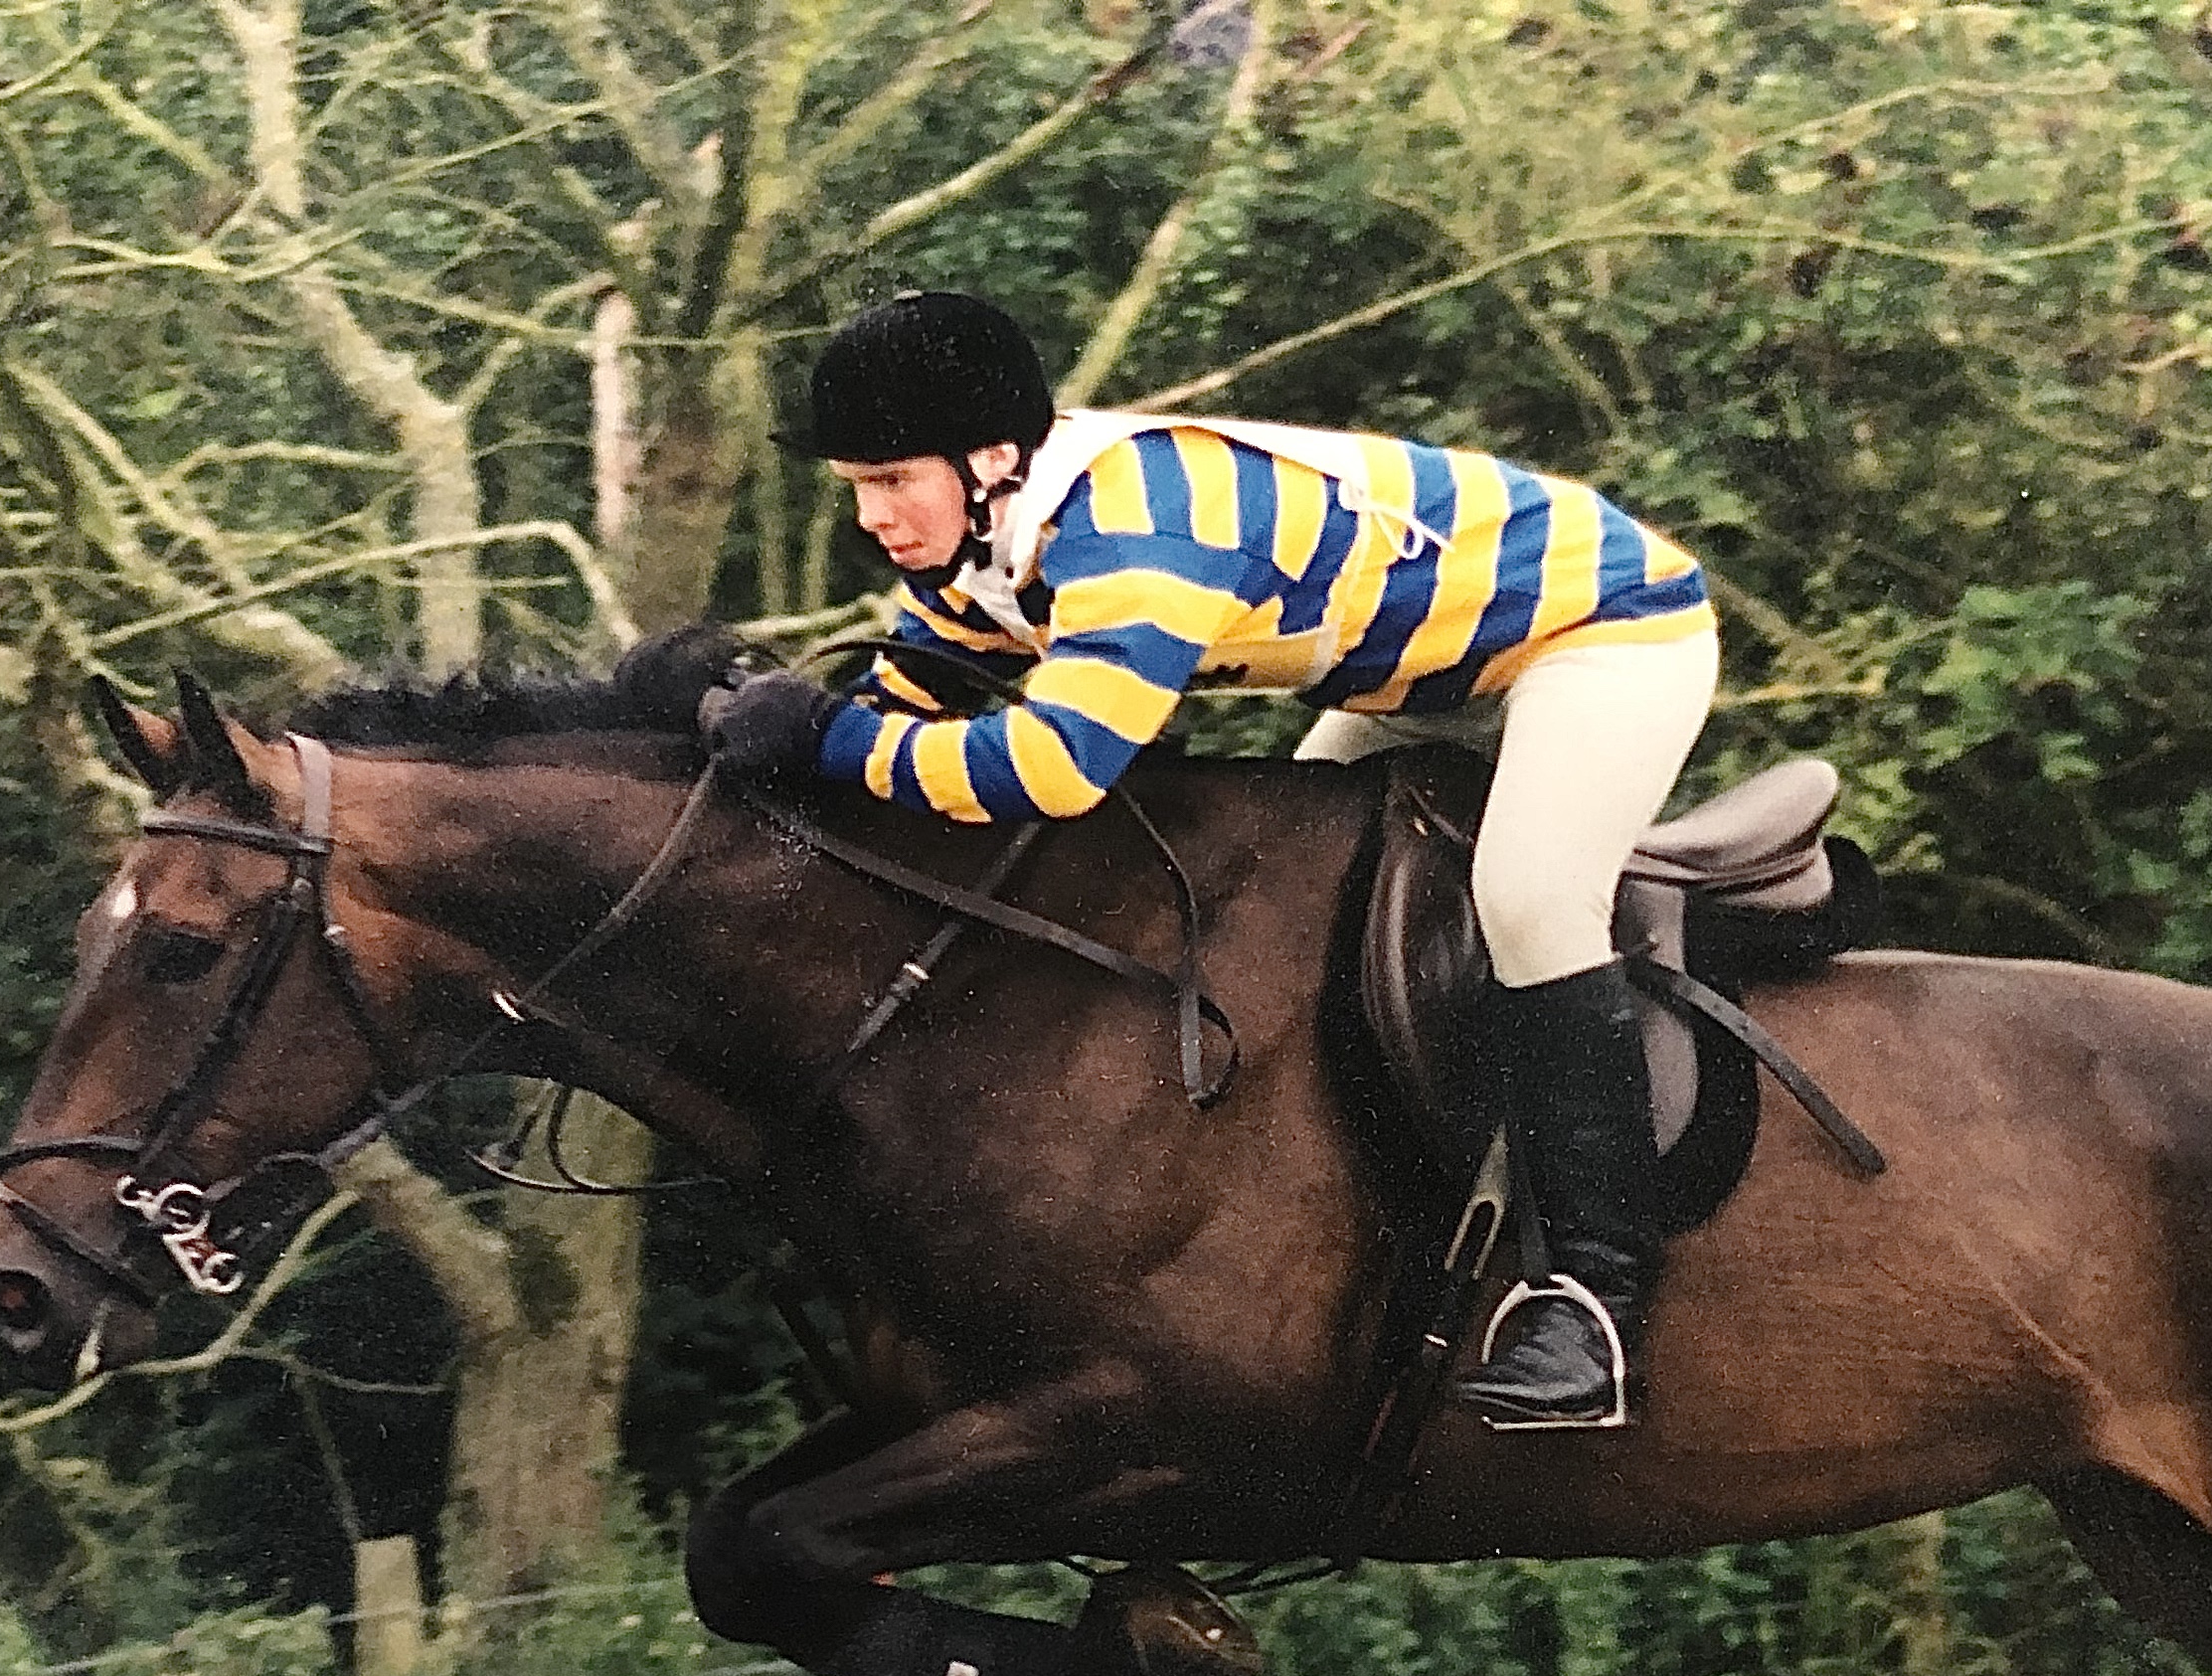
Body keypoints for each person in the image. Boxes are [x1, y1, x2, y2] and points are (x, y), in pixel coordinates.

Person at [705, 289, 1723, 1432]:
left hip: (1603, 631)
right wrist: (726, 717)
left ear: (989, 457)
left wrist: (824, 739)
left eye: (893, 482)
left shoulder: (1140, 533)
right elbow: (902, 701)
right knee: (1297, 900)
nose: (873, 517)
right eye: (857, 487)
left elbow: (1052, 768)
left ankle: (1594, 1299)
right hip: (1418, 680)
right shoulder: (981, 541)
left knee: (1529, 900)